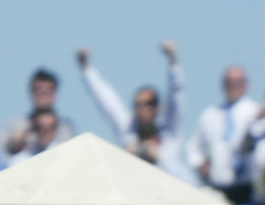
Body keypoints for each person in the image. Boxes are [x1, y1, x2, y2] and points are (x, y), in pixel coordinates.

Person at [79, 42, 193, 183]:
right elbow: (108, 102)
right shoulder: (129, 131)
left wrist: (173, 62)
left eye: (148, 104)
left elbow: (177, 97)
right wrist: (86, 68)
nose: (142, 109)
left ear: (158, 108)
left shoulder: (170, 134)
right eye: (138, 105)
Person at [194, 64, 258, 204]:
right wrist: (200, 164)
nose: (233, 86)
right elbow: (196, 147)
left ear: (246, 84)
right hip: (217, 186)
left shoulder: (255, 112)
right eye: (229, 82)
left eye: (238, 82)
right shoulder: (210, 114)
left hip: (246, 188)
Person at [1, 69, 76, 163]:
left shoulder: (65, 127)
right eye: (39, 90)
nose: (43, 96)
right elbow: (2, 154)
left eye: (48, 91)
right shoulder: (17, 125)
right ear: (31, 92)